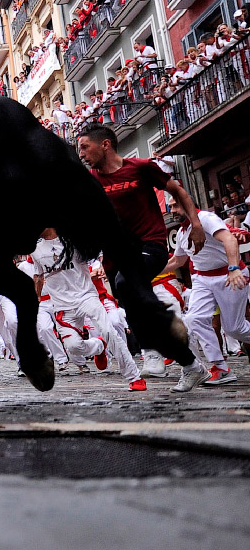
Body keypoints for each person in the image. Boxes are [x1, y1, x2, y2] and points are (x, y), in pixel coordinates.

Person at [76, 125, 209, 392]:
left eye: (84, 146)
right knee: (135, 311)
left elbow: (178, 191)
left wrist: (196, 224)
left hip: (151, 245)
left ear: (105, 145)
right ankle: (191, 365)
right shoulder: (90, 180)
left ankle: (162, 337)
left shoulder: (141, 167)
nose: (81, 153)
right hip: (116, 256)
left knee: (128, 284)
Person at [32, 229, 145, 391]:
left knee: (108, 330)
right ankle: (99, 346)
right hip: (63, 307)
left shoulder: (74, 238)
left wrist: (100, 265)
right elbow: (39, 275)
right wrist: (35, 297)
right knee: (73, 348)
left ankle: (134, 377)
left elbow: (97, 254)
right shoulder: (35, 250)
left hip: (86, 296)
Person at [165, 210, 249, 385]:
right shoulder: (181, 233)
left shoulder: (206, 218)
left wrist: (234, 268)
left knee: (234, 328)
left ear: (187, 202)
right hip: (202, 278)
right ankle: (220, 367)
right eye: (171, 206)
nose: (173, 210)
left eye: (176, 205)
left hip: (228, 275)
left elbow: (230, 239)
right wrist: (145, 274)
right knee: (194, 318)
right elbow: (177, 262)